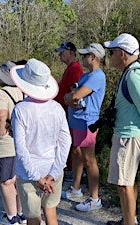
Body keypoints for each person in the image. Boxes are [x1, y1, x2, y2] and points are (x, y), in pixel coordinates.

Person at [103, 33, 140, 225]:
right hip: (127, 135)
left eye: (111, 52)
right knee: (128, 182)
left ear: (122, 53)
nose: (109, 56)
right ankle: (131, 220)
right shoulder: (131, 73)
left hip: (128, 136)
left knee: (124, 184)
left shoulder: (134, 75)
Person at [10, 58, 71, 225]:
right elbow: (66, 141)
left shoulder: (20, 110)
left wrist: (37, 178)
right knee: (51, 216)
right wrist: (54, 172)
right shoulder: (57, 108)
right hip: (52, 168)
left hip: (29, 173)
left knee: (33, 220)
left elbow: (21, 150)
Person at [62, 43, 106, 212]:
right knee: (76, 154)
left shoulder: (97, 76)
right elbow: (73, 94)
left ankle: (95, 198)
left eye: (85, 55)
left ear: (93, 57)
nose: (82, 58)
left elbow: (76, 95)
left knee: (89, 160)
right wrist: (71, 96)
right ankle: (75, 189)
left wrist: (70, 96)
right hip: (77, 121)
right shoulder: (86, 76)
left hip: (87, 123)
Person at [0, 61, 26, 225]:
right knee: (19, 178)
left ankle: (10, 217)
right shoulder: (24, 91)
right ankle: (21, 213)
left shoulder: (1, 94)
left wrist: (0, 131)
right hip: (22, 143)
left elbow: (0, 116)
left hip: (6, 144)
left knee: (6, 181)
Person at [54, 41, 84, 182]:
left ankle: (73, 170)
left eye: (62, 52)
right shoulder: (70, 68)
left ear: (71, 52)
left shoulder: (75, 69)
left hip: (69, 113)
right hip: (64, 112)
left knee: (70, 142)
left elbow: (75, 93)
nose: (60, 54)